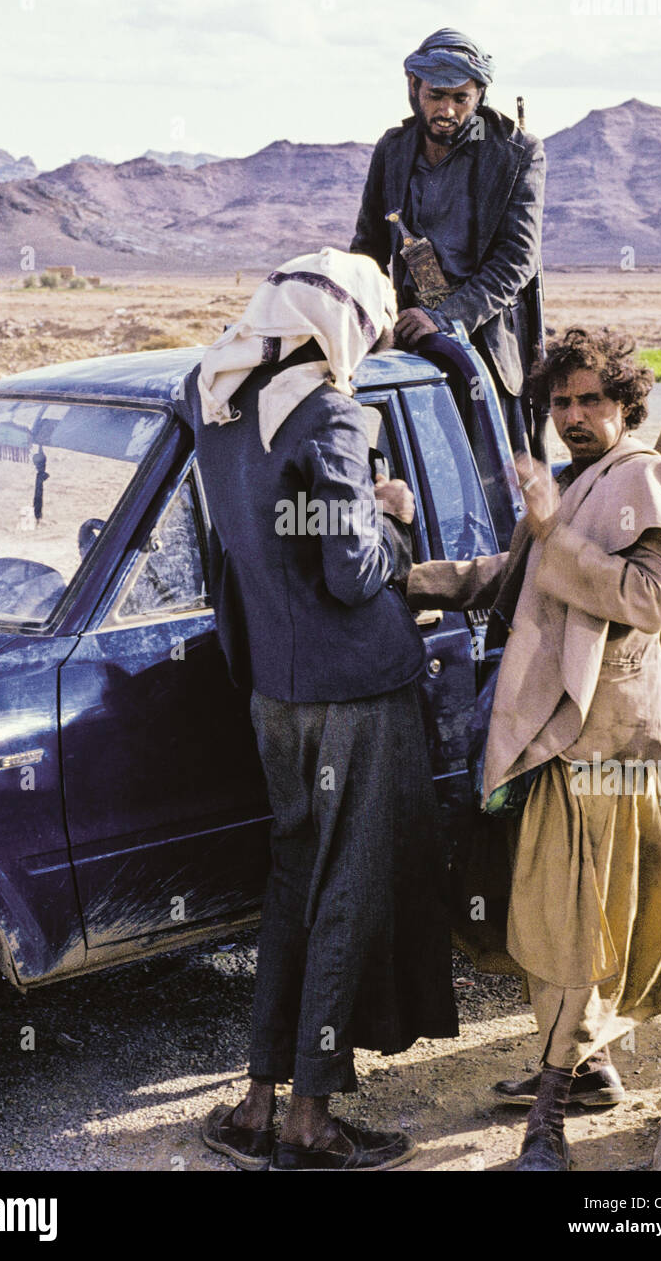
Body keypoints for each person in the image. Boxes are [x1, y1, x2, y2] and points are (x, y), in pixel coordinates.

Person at [405, 328, 661, 1171]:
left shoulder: (650, 480)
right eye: (558, 402)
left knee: (569, 930)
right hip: (551, 740)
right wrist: (411, 581)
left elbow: (642, 598)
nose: (571, 416)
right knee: (549, 916)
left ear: (625, 404)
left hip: (610, 744)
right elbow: (519, 573)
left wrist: (554, 529)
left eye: (589, 399)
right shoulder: (577, 485)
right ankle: (589, 1067)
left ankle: (548, 1122)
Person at [184, 247, 458, 1172]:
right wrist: (392, 515)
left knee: (294, 885)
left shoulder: (212, 400)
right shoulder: (332, 416)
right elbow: (351, 574)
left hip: (275, 692)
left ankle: (256, 1103)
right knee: (350, 888)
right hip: (356, 693)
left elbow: (254, 540)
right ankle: (310, 1117)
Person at [351, 26, 545, 454]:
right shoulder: (393, 149)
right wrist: (354, 315)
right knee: (414, 482)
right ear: (414, 87)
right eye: (437, 95)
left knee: (494, 487)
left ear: (479, 96)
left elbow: (517, 259)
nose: (448, 110)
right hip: (410, 348)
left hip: (485, 351)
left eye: (461, 98)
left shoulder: (515, 152)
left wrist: (444, 319)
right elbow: (368, 249)